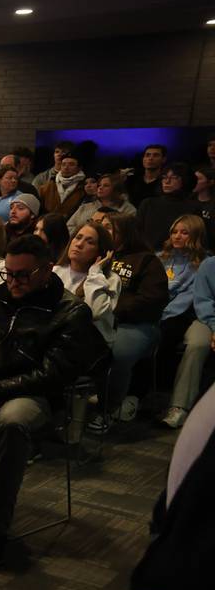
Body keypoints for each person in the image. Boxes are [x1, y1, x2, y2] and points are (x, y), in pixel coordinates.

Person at [0, 235, 108, 568]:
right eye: (9, 273)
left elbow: (51, 375)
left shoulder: (70, 312)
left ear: (46, 270)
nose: (13, 282)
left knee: (13, 422)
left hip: (35, 396)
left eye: (22, 275)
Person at [91, 211, 169, 432]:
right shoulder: (98, 256)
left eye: (108, 227)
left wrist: (114, 310)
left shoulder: (146, 260)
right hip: (98, 319)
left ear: (125, 232)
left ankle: (106, 410)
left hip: (135, 323)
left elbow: (153, 299)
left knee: (118, 353)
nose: (102, 230)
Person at [155, 215, 206, 427]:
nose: (177, 236)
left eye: (184, 232)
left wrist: (162, 315)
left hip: (193, 315)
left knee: (197, 344)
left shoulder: (205, 263)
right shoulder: (159, 257)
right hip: (160, 313)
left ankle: (179, 407)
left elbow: (190, 298)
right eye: (175, 231)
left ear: (195, 236)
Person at [55, 221, 118, 346]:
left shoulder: (110, 279)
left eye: (90, 242)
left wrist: (95, 272)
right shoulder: (56, 271)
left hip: (88, 345)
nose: (79, 244)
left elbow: (97, 312)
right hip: (56, 338)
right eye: (78, 237)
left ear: (101, 252)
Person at [136, 164, 196, 251]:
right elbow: (137, 232)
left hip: (179, 256)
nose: (167, 181)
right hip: (148, 255)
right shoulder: (148, 203)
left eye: (174, 178)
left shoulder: (193, 207)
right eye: (164, 177)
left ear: (185, 180)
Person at [68, 173, 135, 232]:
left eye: (106, 185)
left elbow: (129, 233)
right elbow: (69, 226)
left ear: (116, 189)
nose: (100, 188)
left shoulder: (128, 210)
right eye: (99, 185)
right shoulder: (85, 207)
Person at [38, 152, 88, 223]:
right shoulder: (48, 186)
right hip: (46, 225)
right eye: (63, 164)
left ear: (79, 168)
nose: (66, 167)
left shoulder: (84, 187)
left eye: (71, 164)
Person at [126, 143, 169, 209]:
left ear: (163, 159)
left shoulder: (166, 182)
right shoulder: (132, 179)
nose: (150, 158)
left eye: (156, 155)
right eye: (147, 155)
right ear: (143, 159)